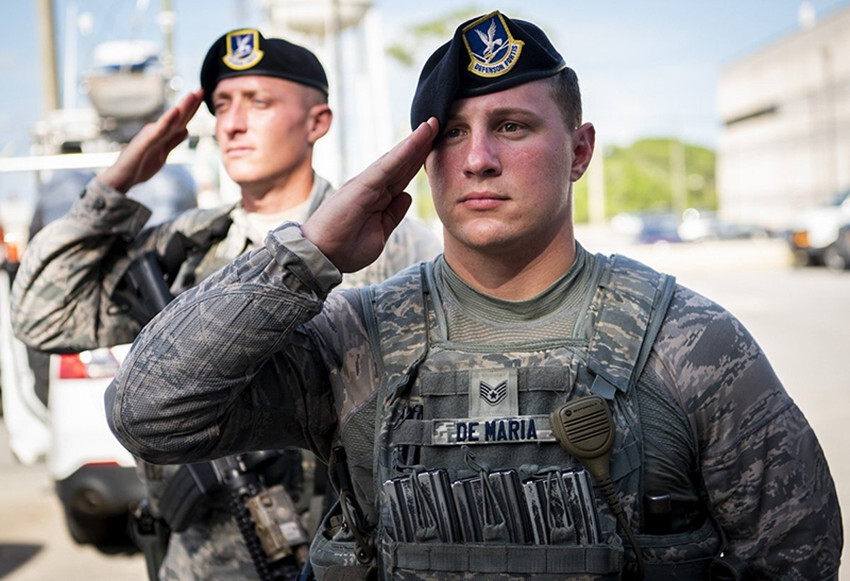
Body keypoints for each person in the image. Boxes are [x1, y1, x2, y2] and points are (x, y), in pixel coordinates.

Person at [103, 11, 841, 581]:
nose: (479, 158)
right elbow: (145, 412)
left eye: (511, 126)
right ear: (419, 159)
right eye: (450, 134)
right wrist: (309, 253)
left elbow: (794, 552)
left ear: (579, 149)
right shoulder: (354, 337)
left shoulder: (690, 342)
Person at [11, 28, 440, 581]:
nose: (231, 124)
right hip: (200, 561)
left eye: (258, 102)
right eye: (220, 106)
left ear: (317, 122)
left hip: (345, 558)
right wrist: (114, 186)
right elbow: (42, 315)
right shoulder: (182, 247)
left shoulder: (394, 242)